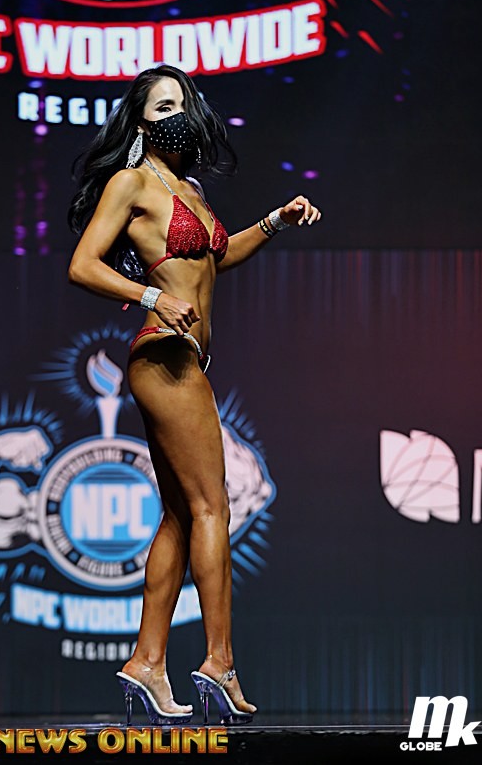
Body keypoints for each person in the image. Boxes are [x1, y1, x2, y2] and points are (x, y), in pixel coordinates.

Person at [67, 64, 321, 725]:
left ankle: (147, 662)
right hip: (164, 354)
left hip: (187, 357)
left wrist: (275, 220)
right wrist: (152, 295)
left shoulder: (191, 190)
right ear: (141, 122)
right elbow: (82, 265)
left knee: (182, 515)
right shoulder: (131, 182)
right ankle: (219, 661)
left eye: (182, 103)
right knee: (214, 506)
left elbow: (214, 258)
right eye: (162, 106)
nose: (176, 114)